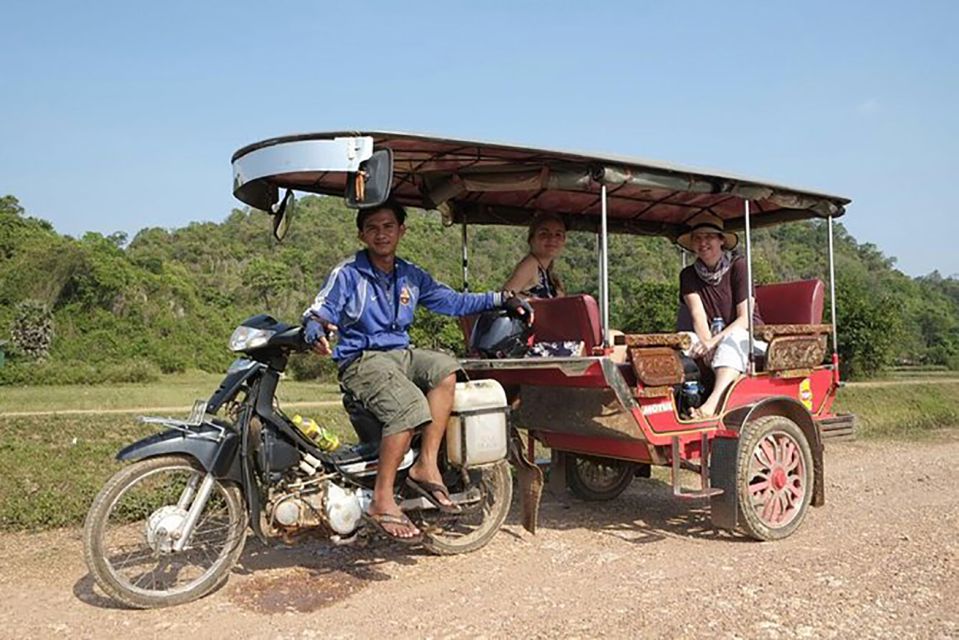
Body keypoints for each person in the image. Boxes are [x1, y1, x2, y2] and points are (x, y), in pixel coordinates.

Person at [302, 200, 529, 542]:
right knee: (409, 407)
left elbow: (454, 302)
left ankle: (426, 464)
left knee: (445, 369)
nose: (382, 234)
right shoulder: (348, 273)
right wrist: (315, 328)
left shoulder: (410, 274)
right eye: (373, 228)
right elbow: (322, 310)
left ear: (401, 231)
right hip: (363, 359)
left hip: (400, 354)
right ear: (362, 234)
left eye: (388, 227)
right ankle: (381, 500)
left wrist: (501, 298)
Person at [677, 212, 764, 418]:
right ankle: (681, 400)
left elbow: (744, 319)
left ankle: (712, 404)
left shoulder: (739, 267)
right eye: (698, 238)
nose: (703, 243)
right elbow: (698, 315)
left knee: (731, 340)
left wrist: (712, 342)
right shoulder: (688, 275)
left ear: (721, 240)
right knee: (685, 340)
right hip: (711, 335)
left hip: (750, 337)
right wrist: (705, 342)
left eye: (709, 237)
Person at [503, 212, 567, 298]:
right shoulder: (530, 264)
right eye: (544, 234)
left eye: (558, 234)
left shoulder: (548, 273)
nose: (552, 238)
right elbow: (506, 295)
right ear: (531, 240)